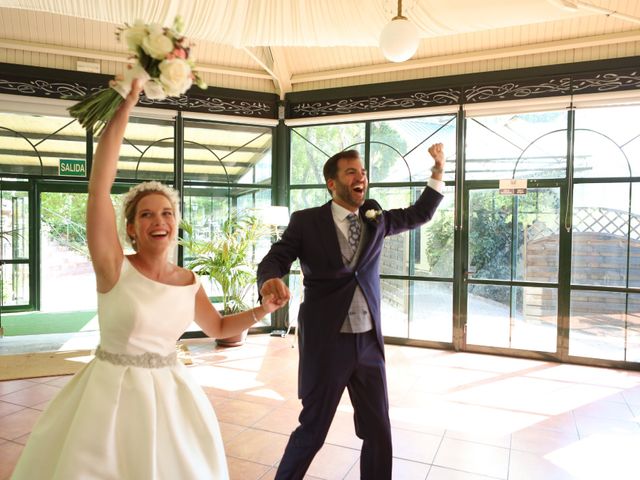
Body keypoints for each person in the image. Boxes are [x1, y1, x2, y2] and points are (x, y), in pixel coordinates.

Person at [11, 80, 287, 480]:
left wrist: (262, 310)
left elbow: (220, 327)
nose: (159, 220)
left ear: (176, 224)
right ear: (131, 229)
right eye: (146, 215)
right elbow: (97, 189)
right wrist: (124, 107)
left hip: (171, 397)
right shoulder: (113, 267)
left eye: (166, 213)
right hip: (109, 397)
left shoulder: (189, 281)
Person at [257, 143, 446, 479]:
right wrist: (270, 278)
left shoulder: (377, 220)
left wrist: (438, 172)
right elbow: (278, 256)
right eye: (351, 172)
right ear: (332, 183)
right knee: (312, 431)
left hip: (368, 343)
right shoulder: (306, 222)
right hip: (329, 343)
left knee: (378, 431)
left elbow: (420, 214)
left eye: (363, 173)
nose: (361, 178)